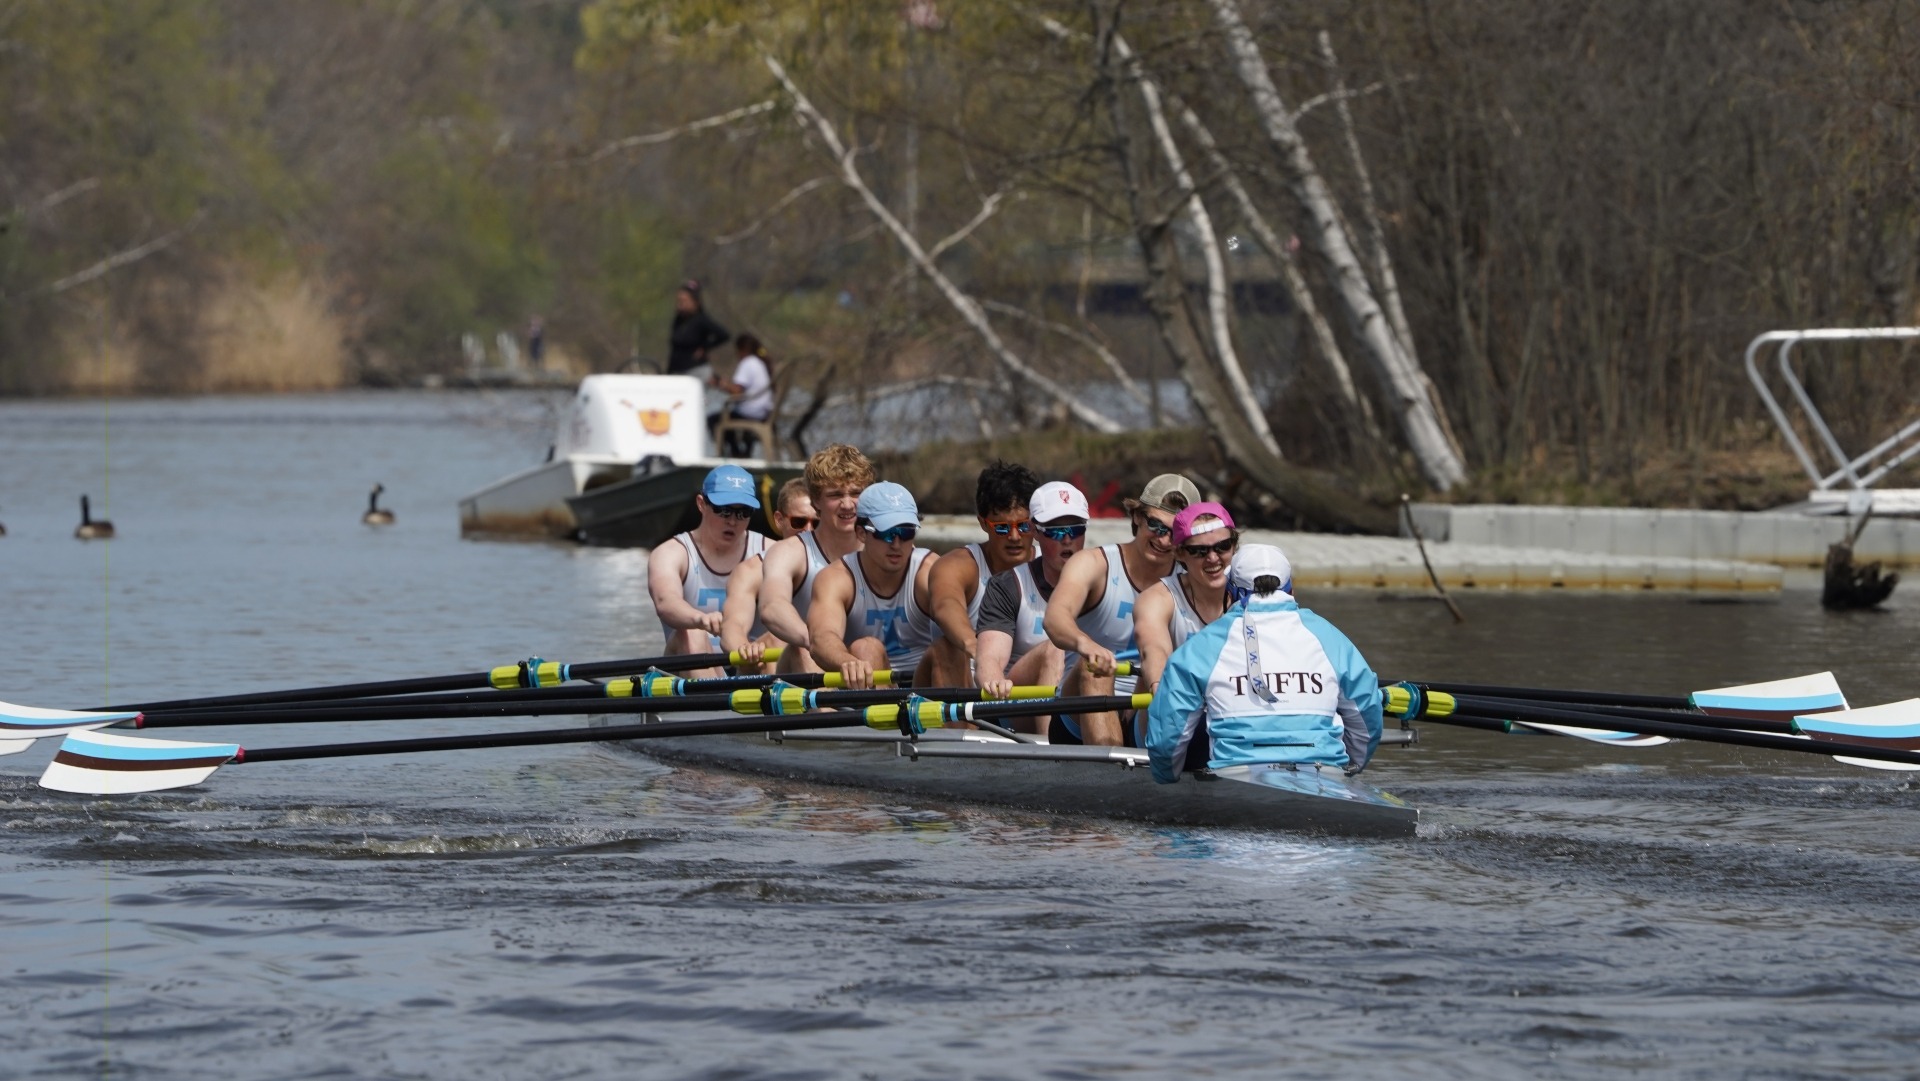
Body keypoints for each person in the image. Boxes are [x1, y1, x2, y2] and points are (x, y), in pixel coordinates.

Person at [1145, 544, 1383, 783]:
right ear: (1291, 589)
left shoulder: (1201, 646)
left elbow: (1168, 733)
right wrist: (1352, 768)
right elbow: (1367, 714)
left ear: (1231, 592)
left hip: (1234, 778)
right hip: (1325, 775)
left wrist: (1167, 778)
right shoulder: (1331, 638)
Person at [1042, 473, 1199, 746]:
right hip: (1080, 711)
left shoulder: (1193, 580)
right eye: (1156, 526)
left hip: (1146, 709)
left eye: (1174, 532)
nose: (1164, 541)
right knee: (1094, 668)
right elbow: (1055, 618)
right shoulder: (1093, 564)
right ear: (1137, 516)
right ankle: (1112, 766)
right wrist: (1087, 645)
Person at [722, 445, 873, 674]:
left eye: (855, 493)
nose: (847, 504)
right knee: (797, 647)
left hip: (864, 663)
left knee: (870, 648)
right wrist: (821, 644)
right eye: (835, 495)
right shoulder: (788, 553)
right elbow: (772, 606)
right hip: (807, 662)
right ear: (816, 502)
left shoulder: (887, 547)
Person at [974, 480, 1087, 722]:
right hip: (1020, 706)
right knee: (1055, 648)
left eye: (1076, 529)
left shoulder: (1104, 579)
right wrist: (993, 679)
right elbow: (989, 658)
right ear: (1034, 531)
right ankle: (1051, 742)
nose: (1067, 539)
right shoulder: (1007, 586)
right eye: (1055, 531)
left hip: (1084, 694)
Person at [807, 481, 936, 691]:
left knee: (947, 648)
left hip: (926, 683)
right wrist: (847, 662)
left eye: (906, 532)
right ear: (861, 533)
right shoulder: (837, 578)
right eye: (885, 533)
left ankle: (959, 714)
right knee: (866, 648)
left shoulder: (930, 570)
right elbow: (821, 638)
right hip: (869, 679)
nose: (896, 544)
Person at [923, 461, 1041, 688]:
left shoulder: (1054, 566)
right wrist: (984, 655)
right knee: (946, 648)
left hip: (1025, 684)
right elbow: (945, 605)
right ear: (983, 524)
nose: (1014, 537)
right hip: (971, 685)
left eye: (1023, 526)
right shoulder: (957, 565)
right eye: (1002, 527)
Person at [647, 464, 770, 673]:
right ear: (701, 504)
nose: (733, 521)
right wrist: (700, 619)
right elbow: (666, 602)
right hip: (688, 665)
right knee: (692, 632)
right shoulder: (671, 553)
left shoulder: (771, 552)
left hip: (749, 668)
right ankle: (710, 692)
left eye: (743, 512)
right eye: (724, 510)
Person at [1135, 502, 1238, 696]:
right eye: (1199, 551)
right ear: (1180, 553)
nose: (1213, 558)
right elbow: (1154, 649)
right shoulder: (1157, 598)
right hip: (1175, 701)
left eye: (1222, 547)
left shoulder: (1252, 594)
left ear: (1234, 546)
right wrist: (1159, 686)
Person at [710, 333, 774, 458]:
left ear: (742, 350)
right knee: (730, 415)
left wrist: (721, 384)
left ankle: (734, 453)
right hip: (763, 411)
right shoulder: (759, 362)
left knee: (713, 420)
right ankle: (744, 453)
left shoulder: (747, 363)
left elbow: (737, 391)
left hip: (751, 412)